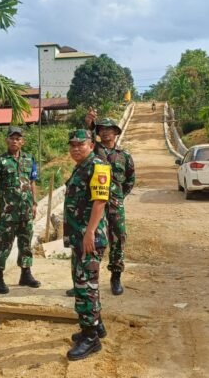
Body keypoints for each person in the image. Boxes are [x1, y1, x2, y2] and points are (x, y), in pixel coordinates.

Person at [72, 109, 135, 296]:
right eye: (102, 129)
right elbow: (83, 141)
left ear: (116, 132)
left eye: (109, 129)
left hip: (114, 204)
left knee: (118, 238)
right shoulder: (94, 150)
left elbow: (130, 179)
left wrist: (118, 196)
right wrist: (89, 123)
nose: (105, 132)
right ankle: (84, 280)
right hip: (92, 204)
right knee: (89, 239)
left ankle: (116, 277)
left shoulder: (124, 155)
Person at [63, 129, 111, 361]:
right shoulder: (81, 167)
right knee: (83, 282)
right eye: (72, 145)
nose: (75, 148)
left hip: (89, 237)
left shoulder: (98, 166)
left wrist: (90, 232)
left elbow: (100, 201)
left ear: (91, 145)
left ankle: (91, 339)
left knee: (86, 286)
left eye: (80, 144)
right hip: (79, 237)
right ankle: (93, 326)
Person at [0, 126, 41, 294]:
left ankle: (26, 274)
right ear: (7, 140)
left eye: (18, 139)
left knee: (26, 243)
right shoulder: (0, 161)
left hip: (26, 211)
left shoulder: (29, 159)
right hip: (8, 213)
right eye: (12, 138)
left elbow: (32, 182)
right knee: (3, 245)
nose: (15, 141)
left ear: (22, 142)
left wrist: (34, 203)